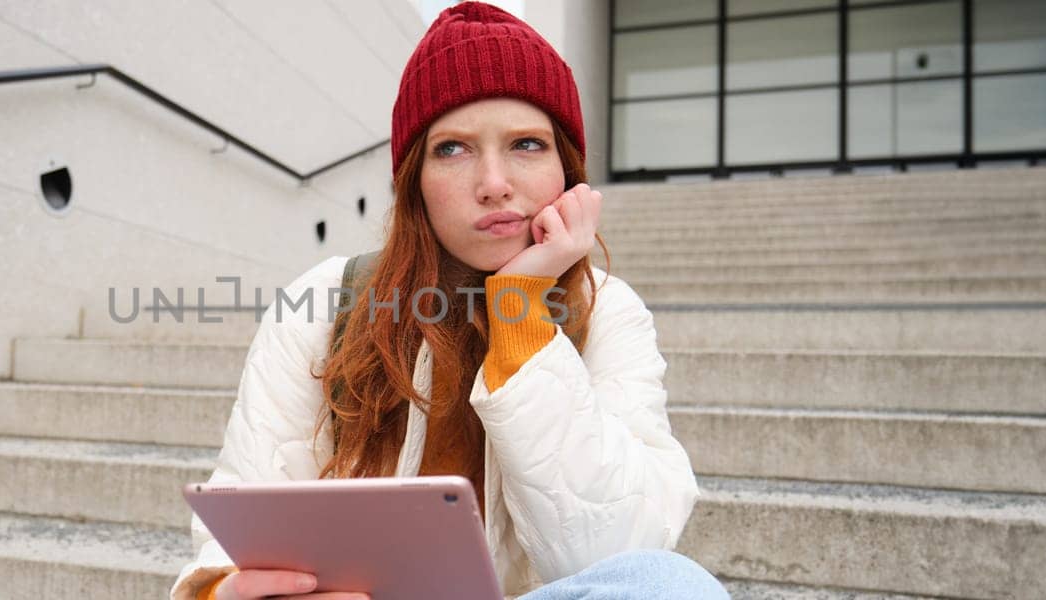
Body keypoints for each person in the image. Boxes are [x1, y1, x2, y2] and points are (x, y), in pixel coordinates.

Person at [170, 3, 727, 599]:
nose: (493, 182)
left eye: (527, 144)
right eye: (453, 149)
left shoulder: (608, 311)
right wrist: (225, 592)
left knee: (670, 585)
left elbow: (611, 551)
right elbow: (236, 532)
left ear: (569, 168)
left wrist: (521, 313)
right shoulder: (324, 300)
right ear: (414, 179)